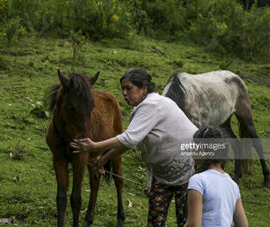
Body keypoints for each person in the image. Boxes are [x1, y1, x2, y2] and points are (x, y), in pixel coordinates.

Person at [70, 68, 198, 227]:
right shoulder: (142, 110)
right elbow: (131, 141)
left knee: (186, 222)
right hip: (163, 174)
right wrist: (104, 158)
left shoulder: (152, 105)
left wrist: (94, 146)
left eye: (129, 88)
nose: (124, 93)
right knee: (154, 220)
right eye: (123, 89)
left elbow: (129, 139)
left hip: (190, 172)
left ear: (144, 88)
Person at [184, 126, 249, 227]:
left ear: (201, 150)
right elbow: (243, 225)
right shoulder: (232, 184)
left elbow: (193, 224)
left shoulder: (198, 181)